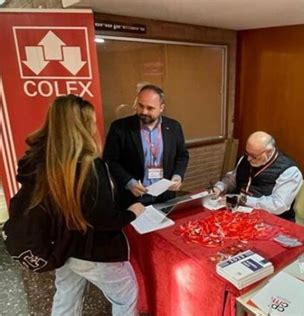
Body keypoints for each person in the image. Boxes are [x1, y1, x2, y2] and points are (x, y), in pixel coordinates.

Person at [15, 95, 144, 315]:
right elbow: (104, 219)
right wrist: (132, 213)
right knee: (127, 296)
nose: (95, 126)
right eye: (92, 122)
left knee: (67, 296)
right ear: (82, 127)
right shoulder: (90, 167)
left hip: (62, 247)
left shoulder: (39, 159)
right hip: (94, 250)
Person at [103, 84, 189, 208]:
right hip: (133, 198)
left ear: (161, 108)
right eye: (140, 106)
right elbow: (110, 160)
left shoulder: (174, 127)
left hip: (165, 196)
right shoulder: (120, 128)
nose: (143, 112)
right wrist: (129, 182)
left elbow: (182, 155)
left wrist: (177, 175)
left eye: (150, 108)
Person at [213, 131, 303, 221]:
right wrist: (220, 187)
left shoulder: (289, 170)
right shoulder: (245, 159)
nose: (248, 159)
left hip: (271, 220)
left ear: (269, 152)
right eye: (247, 153)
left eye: (254, 156)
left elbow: (278, 205)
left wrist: (243, 200)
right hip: (240, 212)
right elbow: (233, 179)